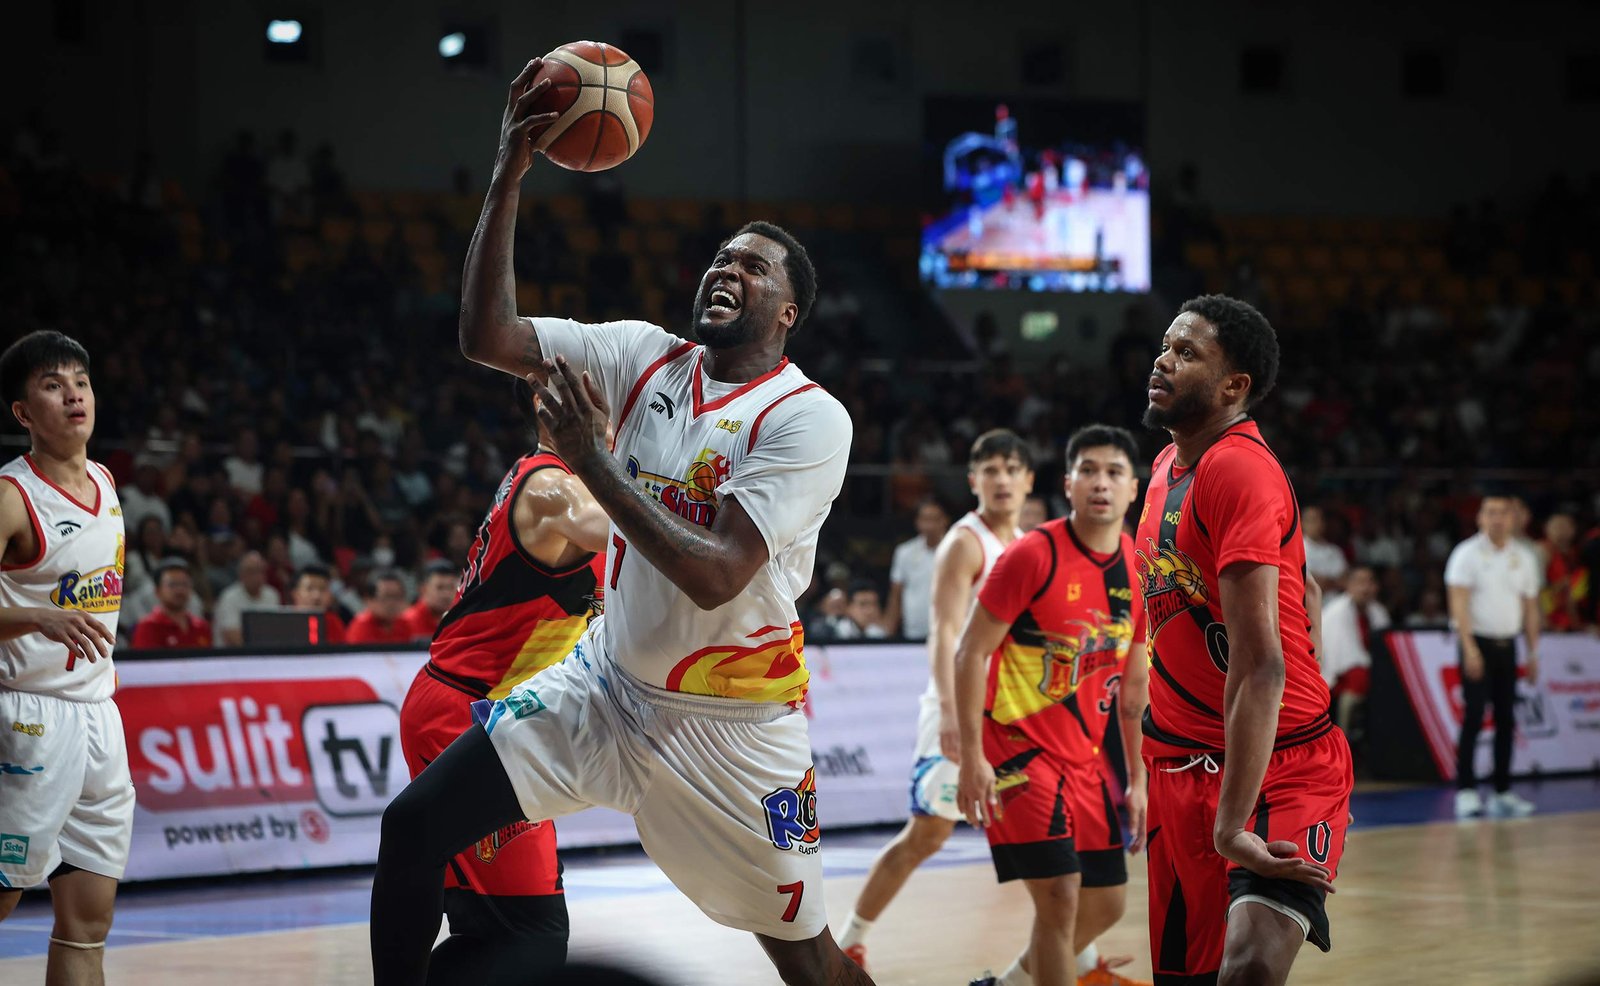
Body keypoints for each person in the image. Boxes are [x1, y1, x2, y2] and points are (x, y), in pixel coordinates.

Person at [369, 58, 865, 986]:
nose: (726, 269)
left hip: (732, 724)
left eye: (752, 267)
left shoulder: (807, 416)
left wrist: (593, 460)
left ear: (787, 310)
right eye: (721, 258)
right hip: (603, 687)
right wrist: (509, 174)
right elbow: (487, 335)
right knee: (414, 826)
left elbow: (717, 572)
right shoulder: (642, 355)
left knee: (808, 959)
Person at [1134, 295, 1348, 986]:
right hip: (1178, 764)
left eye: (1187, 352)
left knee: (1251, 967)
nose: (1163, 359)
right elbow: (1304, 585)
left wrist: (1230, 828)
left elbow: (1260, 671)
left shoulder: (1237, 468)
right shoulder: (1167, 466)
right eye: (1166, 345)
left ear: (1235, 387)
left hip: (1280, 766)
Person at [397, 379, 610, 983]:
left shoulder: (573, 482)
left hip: (497, 709)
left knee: (506, 928)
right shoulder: (550, 488)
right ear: (553, 409)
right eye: (605, 389)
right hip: (460, 706)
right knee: (532, 934)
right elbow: (632, 532)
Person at [953, 425, 1151, 986]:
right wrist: (972, 757)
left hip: (1086, 761)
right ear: (1068, 483)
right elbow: (969, 653)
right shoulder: (1032, 555)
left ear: (1133, 489)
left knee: (1107, 903)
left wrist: (1137, 778)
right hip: (1017, 751)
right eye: (1088, 470)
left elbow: (1134, 689)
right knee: (1060, 898)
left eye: (1114, 472)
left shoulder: (1135, 568)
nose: (1101, 483)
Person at [839, 430, 1035, 972]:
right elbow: (944, 635)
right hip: (960, 709)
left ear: (1028, 481)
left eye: (1011, 469)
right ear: (973, 480)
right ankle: (851, 939)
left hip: (1008, 712)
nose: (1001, 479)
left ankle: (1065, 960)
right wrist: (952, 713)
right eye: (990, 470)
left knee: (1044, 833)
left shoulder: (1022, 542)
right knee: (927, 832)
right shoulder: (964, 542)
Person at [0, 330, 131, 983]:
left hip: (98, 718)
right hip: (24, 717)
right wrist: (34, 615)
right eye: (52, 384)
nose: (73, 394)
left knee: (88, 922)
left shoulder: (105, 480)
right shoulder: (9, 496)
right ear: (23, 413)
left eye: (79, 381)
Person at [1445, 495, 1540, 819]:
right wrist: (1468, 647)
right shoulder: (1467, 554)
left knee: (1505, 719)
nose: (1497, 519)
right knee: (1473, 717)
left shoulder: (1523, 557)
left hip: (1507, 645)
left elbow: (1530, 607)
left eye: (1503, 513)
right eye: (1490, 513)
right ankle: (1466, 791)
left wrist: (1533, 652)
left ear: (1513, 518)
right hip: (1477, 644)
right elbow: (1458, 603)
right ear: (1480, 518)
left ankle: (1502, 791)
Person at [1317, 566, 1390, 740]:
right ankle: (1342, 736)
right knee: (1358, 677)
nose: (1365, 588)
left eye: (1370, 582)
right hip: (1336, 671)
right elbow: (1346, 656)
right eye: (1360, 582)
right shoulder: (1336, 612)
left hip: (1368, 666)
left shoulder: (1378, 611)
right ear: (1348, 586)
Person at [882, 498, 949, 641]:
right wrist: (888, 630)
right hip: (913, 632)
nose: (929, 525)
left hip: (949, 631)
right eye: (925, 519)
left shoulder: (956, 551)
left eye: (934, 519)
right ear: (917, 522)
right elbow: (896, 595)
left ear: (944, 520)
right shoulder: (904, 552)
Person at [131, 559, 212, 649]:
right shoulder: (147, 627)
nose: (179, 590)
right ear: (158, 591)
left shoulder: (201, 627)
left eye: (184, 584)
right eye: (172, 584)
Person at [212, 549, 283, 646]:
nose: (257, 576)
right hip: (232, 656)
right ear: (241, 574)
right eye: (251, 571)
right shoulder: (229, 597)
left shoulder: (272, 595)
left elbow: (276, 631)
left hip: (264, 653)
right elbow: (232, 636)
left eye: (260, 571)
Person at [1536, 513, 1589, 631]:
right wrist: (1543, 620)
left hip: (1570, 616)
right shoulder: (1543, 551)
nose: (1561, 530)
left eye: (1565, 526)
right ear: (1546, 529)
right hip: (1548, 617)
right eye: (1556, 526)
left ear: (1573, 529)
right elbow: (1534, 588)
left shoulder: (1575, 554)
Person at [346, 570, 418, 645]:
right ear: (369, 600)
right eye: (387, 597)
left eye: (396, 596)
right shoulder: (361, 627)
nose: (392, 603)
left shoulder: (404, 625)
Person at [289, 563, 347, 644]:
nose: (316, 596)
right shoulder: (285, 622)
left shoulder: (334, 622)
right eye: (309, 589)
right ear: (295, 594)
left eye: (322, 589)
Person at [402, 559, 458, 639]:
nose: (446, 594)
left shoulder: (461, 620)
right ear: (423, 589)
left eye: (451, 587)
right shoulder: (407, 622)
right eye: (440, 588)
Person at [1301, 506, 1347, 593]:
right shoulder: (1297, 550)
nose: (1317, 524)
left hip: (1334, 602)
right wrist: (1333, 582)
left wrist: (1321, 581)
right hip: (1308, 601)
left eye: (1320, 520)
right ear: (1302, 523)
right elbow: (1305, 581)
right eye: (1312, 520)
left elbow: (1344, 582)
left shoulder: (1335, 551)